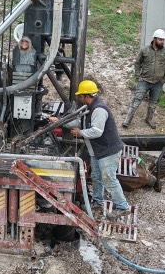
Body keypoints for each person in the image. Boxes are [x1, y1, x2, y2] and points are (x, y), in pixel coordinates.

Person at [49, 80, 131, 217]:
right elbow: (78, 122)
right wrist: (60, 122)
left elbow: (97, 131)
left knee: (108, 178)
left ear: (86, 96)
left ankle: (123, 207)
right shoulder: (89, 108)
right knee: (97, 176)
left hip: (107, 151)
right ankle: (97, 202)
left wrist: (80, 133)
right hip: (98, 151)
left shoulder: (98, 109)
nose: (78, 98)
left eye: (80, 96)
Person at [125, 29, 165, 129]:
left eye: (163, 40)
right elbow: (137, 63)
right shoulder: (145, 50)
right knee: (136, 101)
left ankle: (149, 119)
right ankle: (127, 120)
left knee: (153, 104)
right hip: (144, 81)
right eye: (160, 39)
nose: (162, 42)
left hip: (158, 83)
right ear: (154, 39)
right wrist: (138, 76)